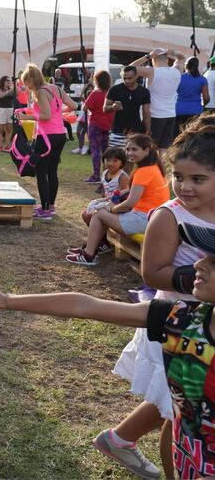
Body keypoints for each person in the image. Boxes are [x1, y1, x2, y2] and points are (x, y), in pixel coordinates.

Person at [0, 216, 215, 480]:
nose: (197, 264)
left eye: (213, 261)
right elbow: (84, 306)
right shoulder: (182, 318)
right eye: (204, 256)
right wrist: (5, 300)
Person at [92, 115, 215, 478]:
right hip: (175, 323)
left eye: (198, 179)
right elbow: (152, 273)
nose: (185, 187)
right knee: (178, 413)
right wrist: (197, 278)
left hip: (206, 328)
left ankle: (120, 438)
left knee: (181, 405)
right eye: (178, 177)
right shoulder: (170, 216)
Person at [67, 134, 169, 265]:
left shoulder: (143, 172)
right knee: (100, 211)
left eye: (134, 149)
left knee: (99, 214)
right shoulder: (154, 168)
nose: (130, 153)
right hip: (151, 217)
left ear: (147, 150)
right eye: (128, 149)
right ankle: (94, 247)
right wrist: (106, 202)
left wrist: (112, 208)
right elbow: (130, 192)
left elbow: (130, 203)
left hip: (144, 219)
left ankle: (88, 255)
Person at [16, 63, 77, 220]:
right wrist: (59, 112)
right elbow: (73, 105)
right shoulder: (55, 88)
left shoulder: (41, 91)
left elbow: (45, 116)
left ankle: (44, 210)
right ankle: (50, 207)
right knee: (52, 172)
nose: (27, 86)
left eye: (27, 82)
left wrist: (25, 116)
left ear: (32, 79)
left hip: (46, 137)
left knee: (41, 173)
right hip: (59, 135)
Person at [130, 48, 185, 155]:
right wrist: (174, 53)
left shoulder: (151, 72)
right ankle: (162, 170)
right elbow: (182, 58)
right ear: (167, 59)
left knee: (151, 147)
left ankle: (152, 168)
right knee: (164, 148)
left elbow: (129, 68)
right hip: (171, 114)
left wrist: (147, 56)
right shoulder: (177, 70)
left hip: (155, 115)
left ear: (153, 60)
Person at [80, 146, 130, 227]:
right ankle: (101, 237)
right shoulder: (104, 173)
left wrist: (108, 204)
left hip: (115, 205)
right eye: (108, 160)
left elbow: (124, 195)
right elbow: (104, 190)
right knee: (85, 214)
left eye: (115, 161)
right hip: (106, 202)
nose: (110, 163)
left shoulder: (122, 176)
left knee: (93, 215)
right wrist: (102, 200)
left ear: (122, 163)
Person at [105, 66, 151, 148]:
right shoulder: (114, 89)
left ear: (137, 76)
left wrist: (147, 130)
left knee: (133, 158)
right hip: (117, 130)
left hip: (136, 131)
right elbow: (105, 108)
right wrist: (113, 107)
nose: (127, 81)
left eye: (130, 78)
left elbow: (146, 113)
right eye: (124, 78)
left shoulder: (144, 92)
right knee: (115, 158)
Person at [83, 70, 114, 183]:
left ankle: (96, 175)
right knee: (107, 151)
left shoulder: (95, 93)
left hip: (95, 123)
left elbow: (85, 108)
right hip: (108, 124)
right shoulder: (111, 93)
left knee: (95, 150)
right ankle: (107, 173)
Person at [175, 57, 209, 136]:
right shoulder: (202, 79)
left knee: (178, 136)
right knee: (193, 136)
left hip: (179, 110)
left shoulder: (179, 77)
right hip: (195, 110)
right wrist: (203, 106)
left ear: (186, 66)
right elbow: (206, 98)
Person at [0, 76, 15, 151]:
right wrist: (8, 91)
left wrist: (14, 84)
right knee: (0, 129)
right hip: (1, 109)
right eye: (7, 80)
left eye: (9, 81)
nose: (8, 82)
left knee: (9, 129)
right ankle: (0, 146)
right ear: (3, 81)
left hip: (10, 109)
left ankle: (7, 146)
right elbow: (0, 95)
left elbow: (19, 94)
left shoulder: (12, 89)